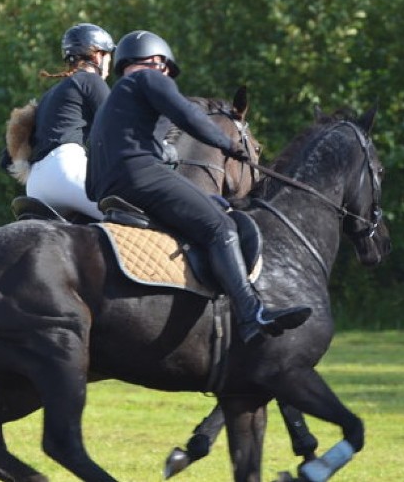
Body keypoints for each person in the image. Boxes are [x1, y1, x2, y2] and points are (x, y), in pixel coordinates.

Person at [86, 30, 311, 343]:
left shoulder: (116, 99)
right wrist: (228, 144)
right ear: (158, 62)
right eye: (166, 71)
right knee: (221, 228)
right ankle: (251, 314)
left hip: (108, 187)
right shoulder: (150, 79)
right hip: (139, 175)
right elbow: (188, 115)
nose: (167, 77)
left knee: (214, 206)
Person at [19, 22, 116, 220]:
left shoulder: (49, 95)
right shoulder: (91, 80)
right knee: (136, 217)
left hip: (35, 185)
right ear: (97, 55)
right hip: (67, 171)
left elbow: (7, 158)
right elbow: (117, 126)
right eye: (108, 56)